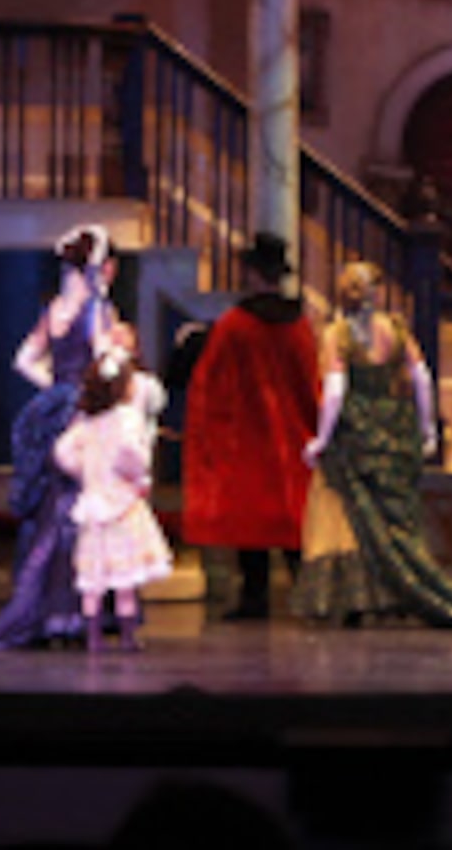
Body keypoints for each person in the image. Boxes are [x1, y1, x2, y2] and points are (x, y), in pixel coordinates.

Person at [297, 260, 452, 631]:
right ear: (377, 293)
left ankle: (363, 598)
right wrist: (426, 425)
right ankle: (391, 596)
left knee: (352, 517)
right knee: (395, 520)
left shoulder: (338, 334)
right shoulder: (395, 330)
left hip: (356, 432)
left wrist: (323, 436)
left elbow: (335, 391)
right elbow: (422, 379)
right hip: (395, 428)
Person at [0, 224, 129, 650]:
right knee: (79, 514)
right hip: (83, 418)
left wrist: (54, 385)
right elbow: (106, 363)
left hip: (53, 413)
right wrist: (95, 389)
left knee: (52, 513)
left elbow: (23, 359)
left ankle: (53, 612)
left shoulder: (55, 309)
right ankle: (71, 615)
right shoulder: (97, 310)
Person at [179, 234, 321, 620]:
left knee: (252, 522)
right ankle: (307, 594)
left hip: (249, 437)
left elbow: (212, 383)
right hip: (292, 436)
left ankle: (255, 599)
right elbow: (312, 383)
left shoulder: (235, 325)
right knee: (294, 519)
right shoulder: (299, 325)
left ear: (253, 274)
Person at [58, 341, 172, 648]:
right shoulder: (126, 418)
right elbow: (131, 454)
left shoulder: (88, 422)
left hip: (94, 504)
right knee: (124, 580)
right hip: (122, 504)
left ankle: (94, 636)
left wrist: (84, 471)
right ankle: (127, 637)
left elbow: (63, 451)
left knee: (94, 579)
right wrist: (138, 475)